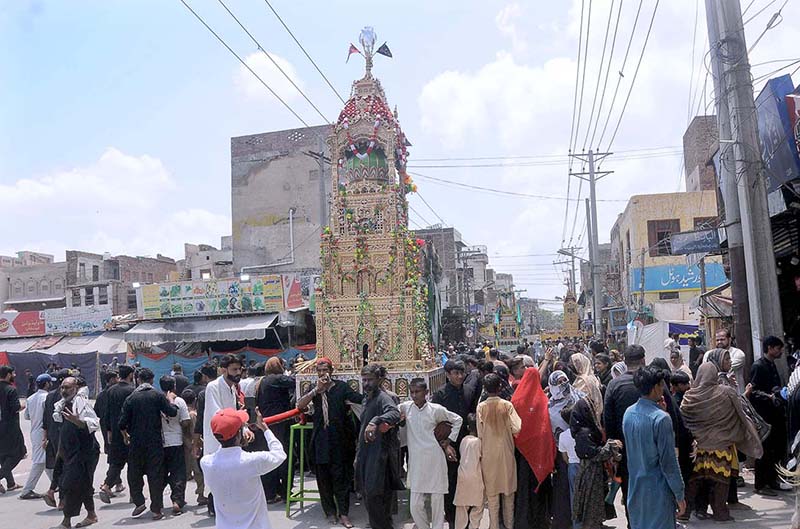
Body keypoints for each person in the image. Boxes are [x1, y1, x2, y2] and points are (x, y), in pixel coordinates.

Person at [679, 363, 763, 522]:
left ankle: (684, 512)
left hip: (698, 448)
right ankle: (720, 513)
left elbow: (684, 419)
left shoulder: (689, 396)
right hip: (721, 447)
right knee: (720, 482)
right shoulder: (726, 392)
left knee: (694, 482)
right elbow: (741, 414)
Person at [295, 357, 363, 528]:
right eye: (319, 370)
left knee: (342, 479)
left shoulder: (341, 388)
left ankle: (344, 514)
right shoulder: (314, 389)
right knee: (323, 479)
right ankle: (330, 512)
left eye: (325, 370)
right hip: (321, 441)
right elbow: (300, 405)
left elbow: (358, 399)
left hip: (340, 440)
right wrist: (315, 391)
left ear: (331, 371)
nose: (322, 373)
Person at [200, 407, 286, 529]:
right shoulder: (251, 461)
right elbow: (279, 454)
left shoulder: (206, 463)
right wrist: (265, 429)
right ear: (239, 434)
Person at [622, 366, 686, 529]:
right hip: (658, 491)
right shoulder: (662, 419)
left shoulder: (628, 413)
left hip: (636, 489)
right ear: (656, 387)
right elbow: (669, 463)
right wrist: (679, 494)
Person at [399, 378, 461, 529]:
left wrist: (448, 441)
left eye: (417, 392)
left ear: (426, 393)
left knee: (437, 503)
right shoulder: (406, 408)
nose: (414, 395)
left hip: (435, 460)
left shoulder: (436, 409)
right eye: (412, 392)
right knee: (415, 505)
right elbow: (391, 412)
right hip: (416, 463)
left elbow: (457, 420)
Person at [118, 367, 179, 519]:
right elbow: (172, 412)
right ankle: (156, 509)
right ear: (152, 380)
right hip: (155, 442)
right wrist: (171, 400)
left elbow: (121, 423)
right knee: (155, 475)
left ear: (138, 380)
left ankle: (139, 501)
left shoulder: (131, 398)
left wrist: (126, 435)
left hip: (136, 442)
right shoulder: (157, 395)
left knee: (134, 473)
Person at [431, 359, 480, 527]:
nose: (459, 376)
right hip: (448, 444)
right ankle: (452, 518)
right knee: (450, 481)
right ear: (448, 375)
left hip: (467, 442)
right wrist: (445, 445)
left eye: (462, 373)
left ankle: (467, 516)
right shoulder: (440, 394)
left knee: (468, 478)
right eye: (456, 373)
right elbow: (436, 422)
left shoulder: (469, 391)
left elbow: (473, 415)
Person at [355, 364, 403, 529]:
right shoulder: (367, 398)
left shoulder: (383, 397)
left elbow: (395, 413)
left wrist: (376, 421)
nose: (366, 383)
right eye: (364, 380)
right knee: (370, 496)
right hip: (367, 454)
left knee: (375, 496)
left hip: (379, 455)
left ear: (380, 380)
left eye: (370, 380)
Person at [603, 345, 647, 525]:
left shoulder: (614, 384)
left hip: (625, 449)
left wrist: (614, 447)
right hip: (649, 446)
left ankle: (632, 523)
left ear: (624, 360)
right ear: (643, 359)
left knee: (629, 488)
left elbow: (608, 419)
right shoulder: (650, 381)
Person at [53, 376, 100, 529]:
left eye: (67, 387)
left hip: (84, 452)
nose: (64, 390)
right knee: (84, 484)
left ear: (75, 388)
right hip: (69, 452)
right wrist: (60, 451)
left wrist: (77, 421)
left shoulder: (82, 404)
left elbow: (93, 424)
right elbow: (63, 431)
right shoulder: (62, 405)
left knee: (71, 485)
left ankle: (66, 521)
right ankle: (91, 515)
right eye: (62, 387)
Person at [477, 373, 522, 529]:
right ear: (500, 387)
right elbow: (517, 428)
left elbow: (480, 434)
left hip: (488, 457)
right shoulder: (507, 405)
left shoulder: (481, 407)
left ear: (485, 388)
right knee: (509, 498)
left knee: (493, 498)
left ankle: (494, 526)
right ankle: (509, 526)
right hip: (507, 455)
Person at [570, 397, 622, 529]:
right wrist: (612, 446)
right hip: (590, 475)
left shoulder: (587, 430)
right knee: (590, 510)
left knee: (595, 509)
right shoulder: (583, 434)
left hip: (594, 474)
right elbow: (596, 454)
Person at [512, 367, 555, 529]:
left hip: (522, 452)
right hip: (539, 452)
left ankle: (523, 521)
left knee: (523, 488)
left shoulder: (515, 400)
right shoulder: (543, 400)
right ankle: (541, 521)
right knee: (540, 488)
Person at [749, 335, 791, 495]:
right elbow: (752, 392)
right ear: (770, 348)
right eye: (778, 348)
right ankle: (761, 485)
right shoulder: (758, 366)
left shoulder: (772, 365)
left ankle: (772, 481)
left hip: (775, 415)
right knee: (764, 450)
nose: (780, 351)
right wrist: (769, 396)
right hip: (764, 417)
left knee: (775, 450)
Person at [256, 356, 295, 503]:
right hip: (280, 424)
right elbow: (295, 382)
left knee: (270, 458)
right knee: (284, 457)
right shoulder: (277, 379)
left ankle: (271, 493)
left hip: (267, 425)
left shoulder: (263, 381)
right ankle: (285, 492)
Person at [548, 370, 583, 529]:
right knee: (563, 488)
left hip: (580, 451)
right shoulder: (549, 405)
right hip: (560, 453)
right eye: (559, 382)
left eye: (565, 380)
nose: (563, 385)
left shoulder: (579, 398)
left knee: (580, 488)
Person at [98, 364, 135, 504]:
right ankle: (134, 494)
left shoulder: (110, 391)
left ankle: (107, 486)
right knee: (133, 464)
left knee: (116, 462)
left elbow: (105, 413)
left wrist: (108, 431)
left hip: (114, 431)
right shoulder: (132, 390)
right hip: (129, 432)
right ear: (130, 375)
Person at [159, 375, 191, 514]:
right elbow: (185, 421)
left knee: (161, 472)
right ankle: (177, 501)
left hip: (161, 442)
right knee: (178, 472)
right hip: (177, 441)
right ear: (174, 386)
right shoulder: (179, 401)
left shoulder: (157, 400)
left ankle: (157, 501)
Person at [20, 373, 53, 499]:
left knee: (46, 460)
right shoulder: (47, 398)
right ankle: (27, 489)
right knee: (40, 461)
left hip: (34, 431)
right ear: (46, 384)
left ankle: (57, 484)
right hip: (43, 432)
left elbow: (27, 416)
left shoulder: (30, 398)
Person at [453, 414, 484, 529]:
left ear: (467, 427)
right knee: (478, 506)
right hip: (476, 477)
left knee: (461, 507)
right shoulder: (479, 442)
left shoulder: (463, 441)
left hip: (462, 476)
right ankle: (473, 526)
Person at [0, 365, 26, 494]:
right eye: (13, 374)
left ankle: (10, 483)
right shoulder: (11, 390)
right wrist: (22, 406)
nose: (14, 376)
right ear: (8, 375)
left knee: (3, 455)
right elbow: (15, 407)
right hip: (9, 427)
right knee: (19, 452)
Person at [709, 329, 746, 393]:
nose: (719, 342)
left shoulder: (738, 353)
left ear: (729, 339)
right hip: (716, 394)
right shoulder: (709, 354)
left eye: (722, 339)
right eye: (717, 340)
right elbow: (707, 372)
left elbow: (724, 368)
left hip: (736, 392)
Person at [570, 353, 603, 423]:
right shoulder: (589, 377)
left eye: (576, 363)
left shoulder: (585, 380)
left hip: (589, 417)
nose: (573, 365)